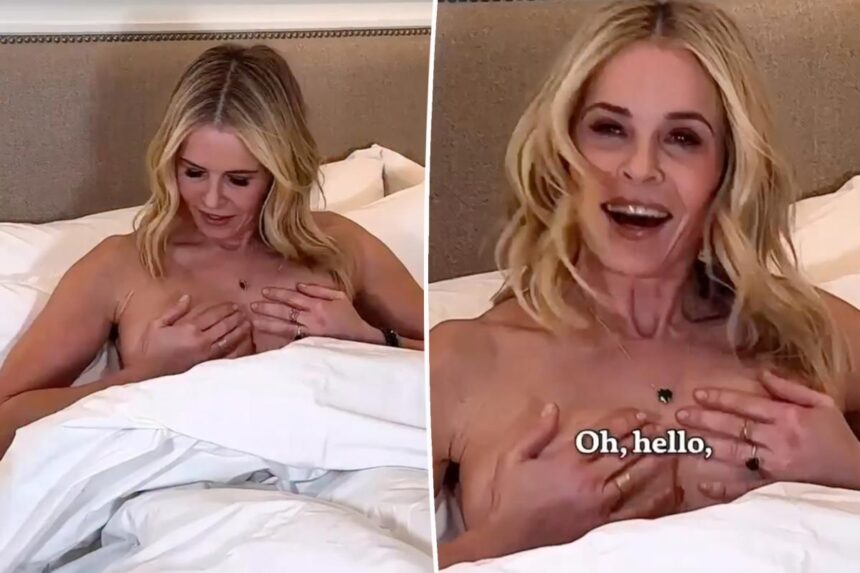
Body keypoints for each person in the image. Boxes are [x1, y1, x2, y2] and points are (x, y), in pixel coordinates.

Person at [431, 0, 860, 567]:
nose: (640, 167)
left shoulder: (807, 331)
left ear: (727, 170)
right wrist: (508, 536)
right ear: (563, 153)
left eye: (682, 138)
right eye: (610, 129)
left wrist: (849, 467)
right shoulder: (462, 361)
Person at [0, 44, 423, 456]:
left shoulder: (340, 246)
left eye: (239, 180)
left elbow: (454, 362)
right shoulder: (122, 266)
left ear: (280, 173)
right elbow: (5, 419)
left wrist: (369, 338)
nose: (212, 200)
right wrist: (144, 375)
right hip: (183, 487)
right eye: (194, 173)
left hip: (349, 467)